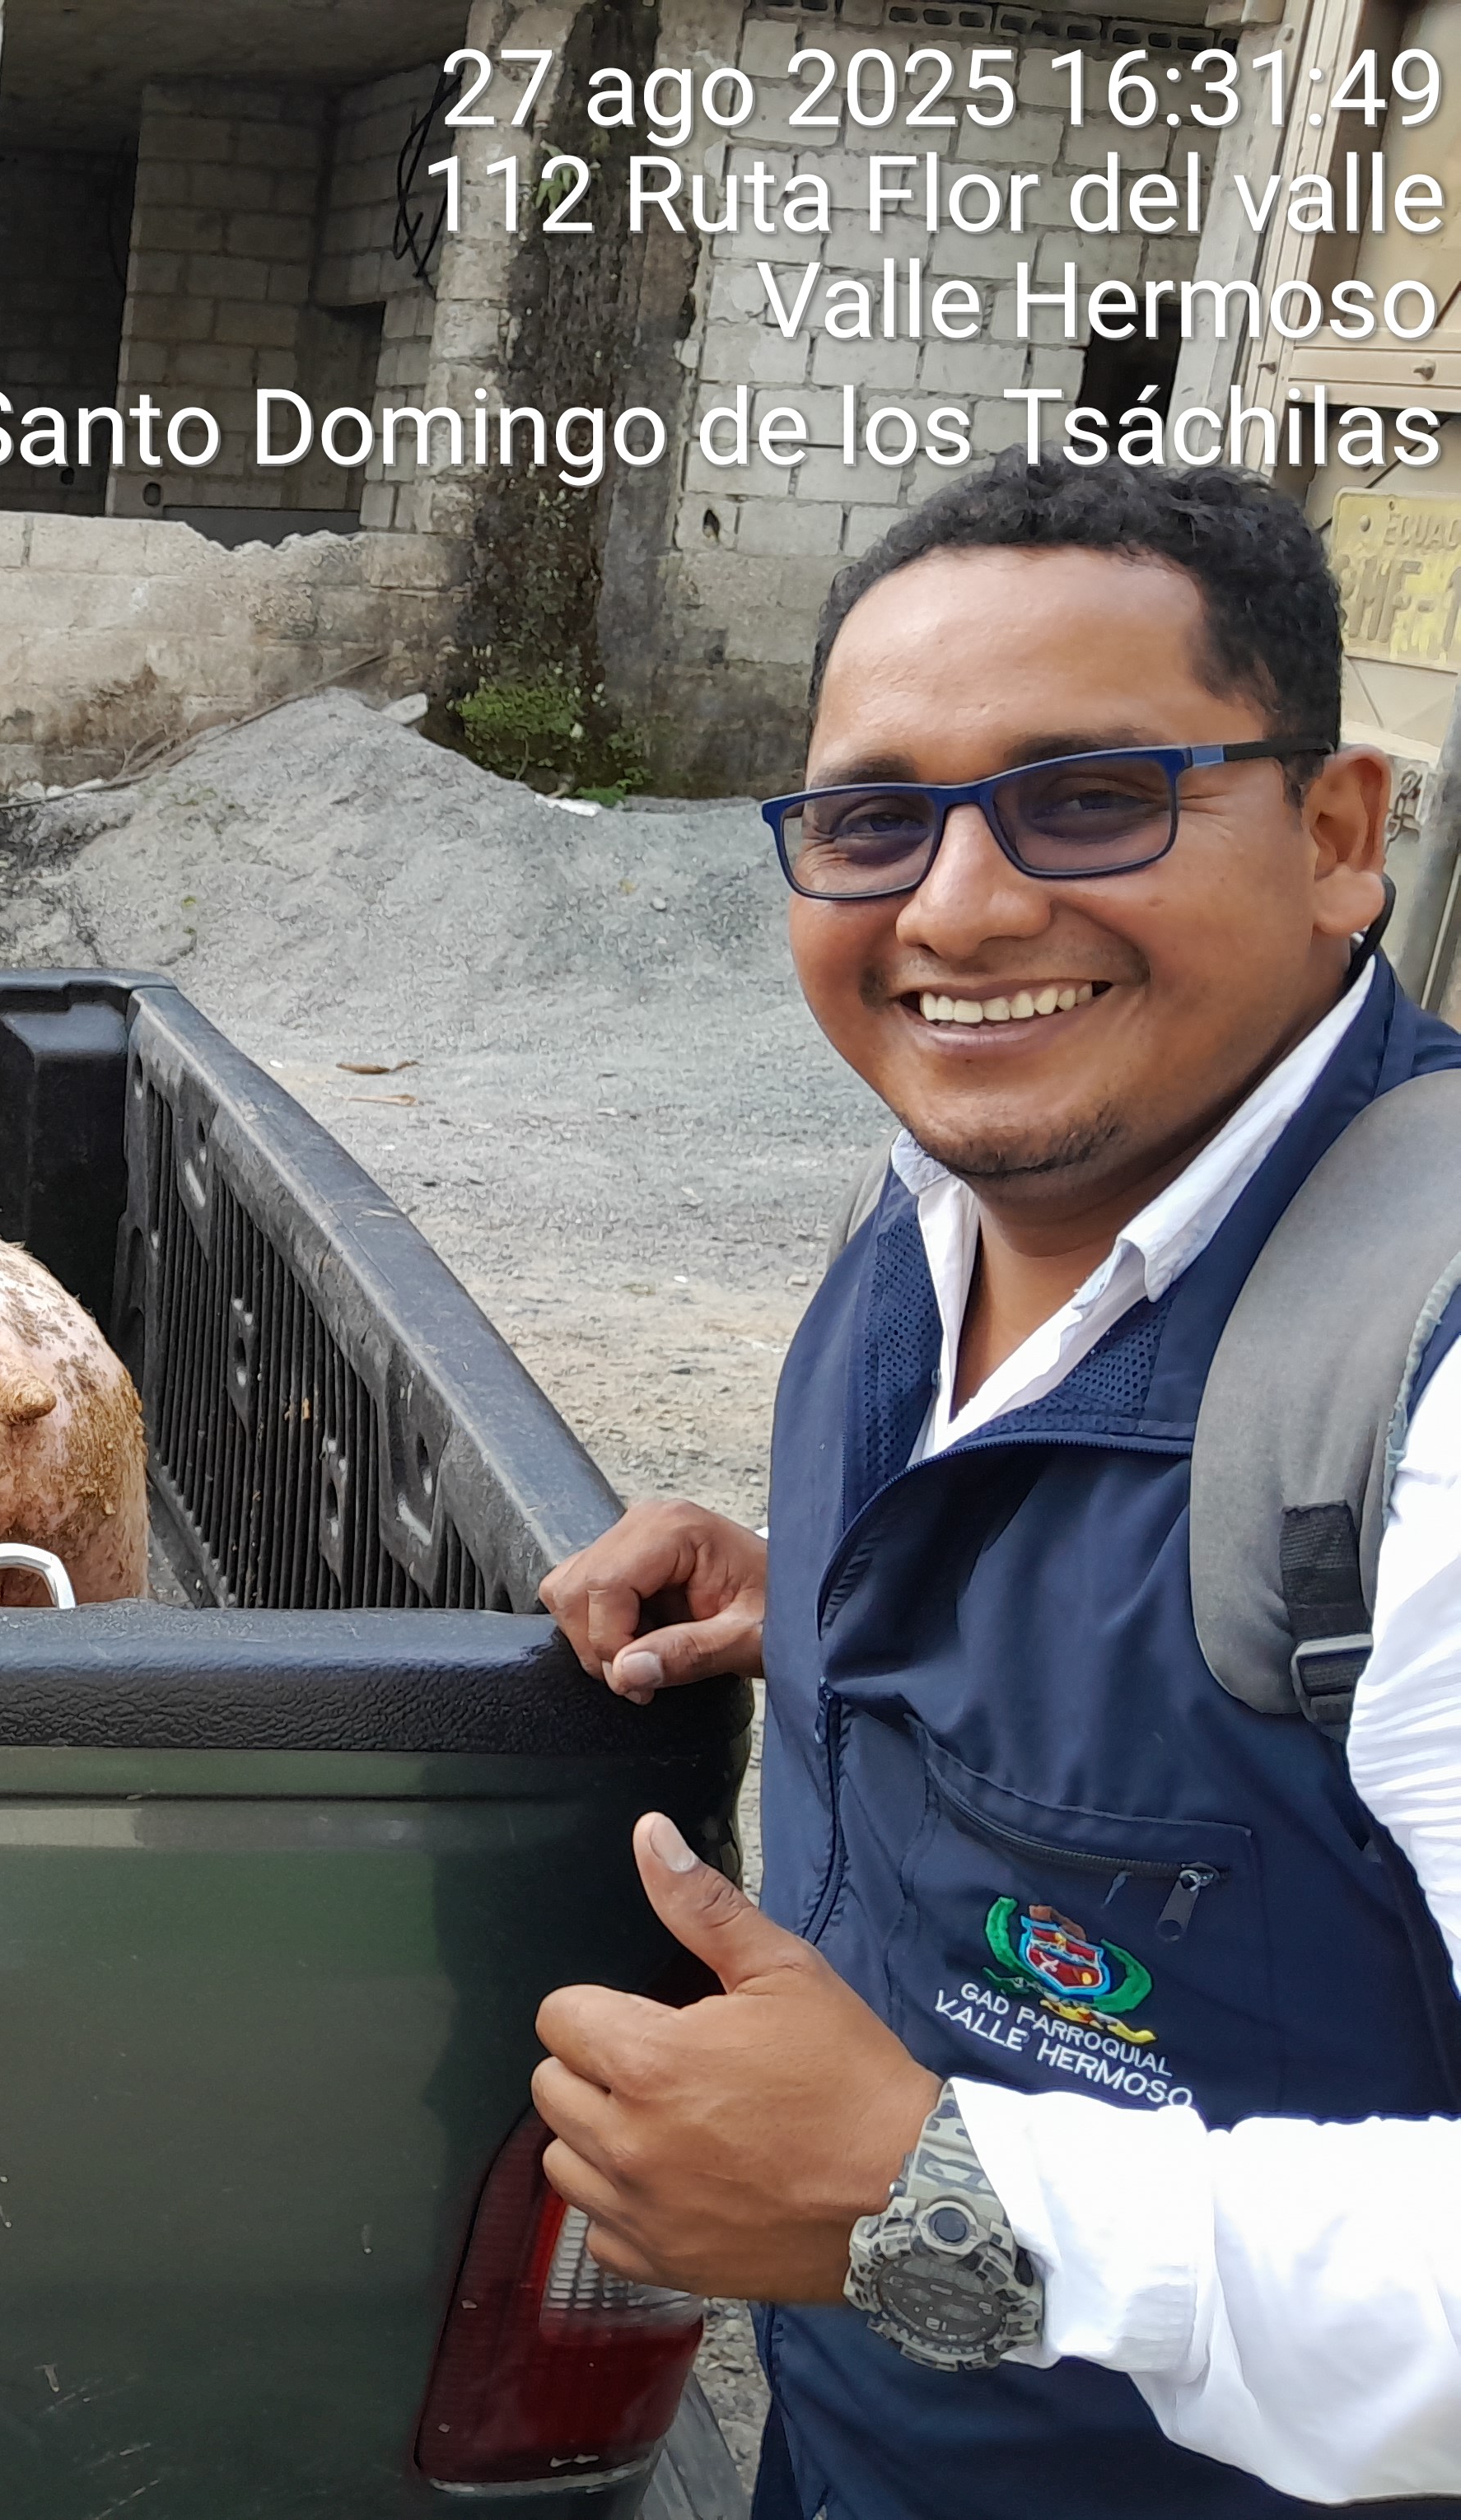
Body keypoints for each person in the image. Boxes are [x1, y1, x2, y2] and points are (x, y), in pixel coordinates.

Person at [531, 456, 1461, 2517]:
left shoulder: (1427, 1396)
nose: (956, 909)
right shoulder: (946, 1196)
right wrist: (857, 1597)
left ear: (1336, 837)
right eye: (874, 821)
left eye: (1092, 796)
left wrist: (936, 2204)